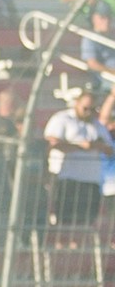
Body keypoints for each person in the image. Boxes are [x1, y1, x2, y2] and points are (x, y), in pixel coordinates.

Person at [45, 87, 115, 242]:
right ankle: (62, 250)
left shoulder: (96, 125)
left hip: (91, 181)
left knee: (87, 221)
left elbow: (110, 148)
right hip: (69, 178)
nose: (88, 112)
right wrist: (80, 146)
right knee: (66, 220)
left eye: (92, 109)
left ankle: (80, 253)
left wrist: (96, 146)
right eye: (85, 108)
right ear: (76, 103)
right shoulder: (62, 119)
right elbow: (52, 143)